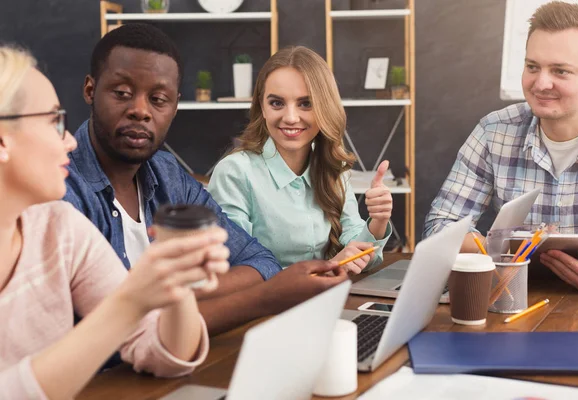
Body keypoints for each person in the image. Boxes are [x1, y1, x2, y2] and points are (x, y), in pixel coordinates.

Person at [64, 24, 348, 335]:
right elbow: (110, 330)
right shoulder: (63, 192)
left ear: (175, 106)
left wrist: (173, 300)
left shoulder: (167, 174)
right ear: (90, 90)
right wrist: (263, 299)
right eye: (122, 94)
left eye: (158, 99)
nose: (140, 111)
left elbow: (259, 260)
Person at [0, 46, 231, 399]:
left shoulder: (60, 229)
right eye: (53, 121)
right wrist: (130, 301)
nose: (68, 139)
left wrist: (176, 281)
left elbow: (165, 355)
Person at [423, 1, 578, 292]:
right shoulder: (494, 131)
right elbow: (440, 226)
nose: (541, 83)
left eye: (561, 71)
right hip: (510, 297)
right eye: (533, 66)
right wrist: (494, 250)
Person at [208, 46, 393, 273]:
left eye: (306, 104)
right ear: (262, 107)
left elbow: (360, 255)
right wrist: (326, 267)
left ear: (324, 107)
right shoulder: (235, 172)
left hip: (327, 299)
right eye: (277, 103)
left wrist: (378, 221)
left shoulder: (332, 168)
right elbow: (235, 269)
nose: (291, 117)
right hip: (267, 307)